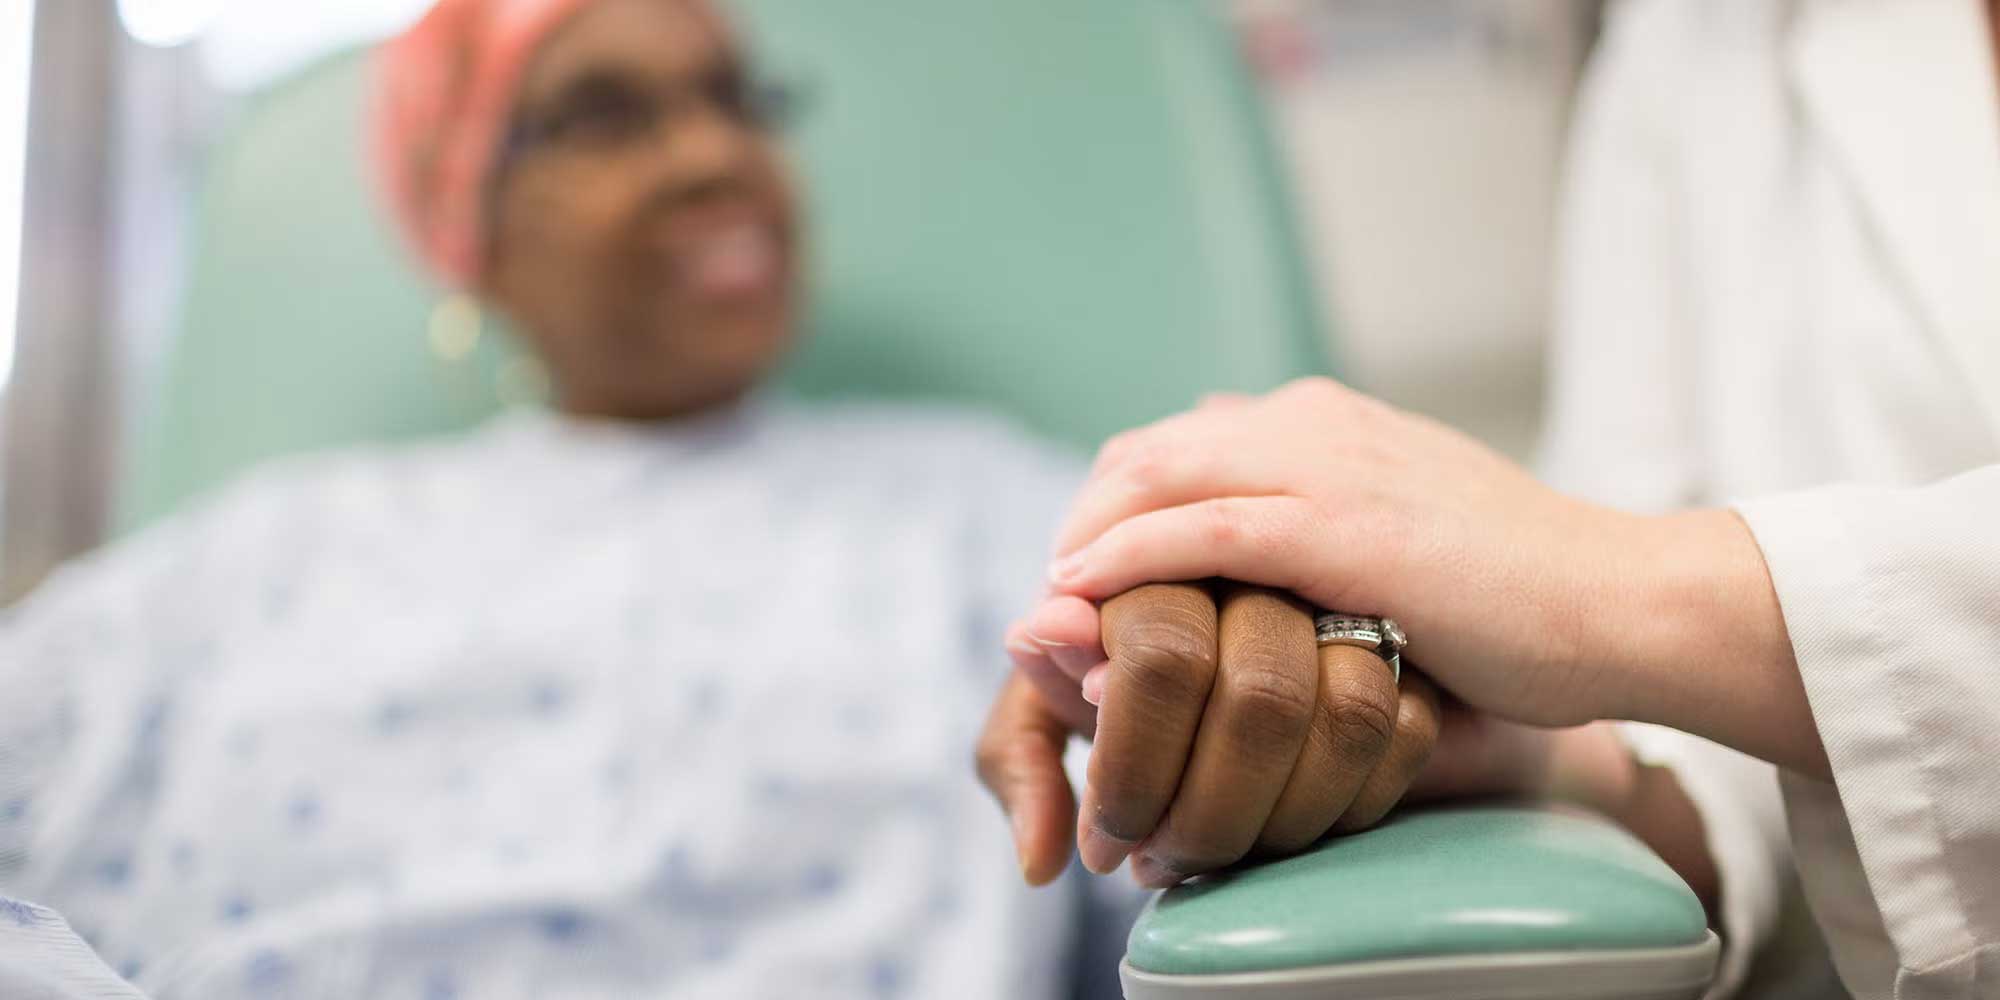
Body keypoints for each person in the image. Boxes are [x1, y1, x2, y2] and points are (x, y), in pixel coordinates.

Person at [0, 0, 1424, 996]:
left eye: (736, 99)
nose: (715, 155)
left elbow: (1197, 810)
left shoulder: (982, 511)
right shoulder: (242, 567)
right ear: (470, 229)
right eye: (604, 115)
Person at [985, 0, 2000, 997]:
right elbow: (1794, 783)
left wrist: (1596, 587)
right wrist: (1541, 763)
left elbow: (1614, 610)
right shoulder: (1688, 37)